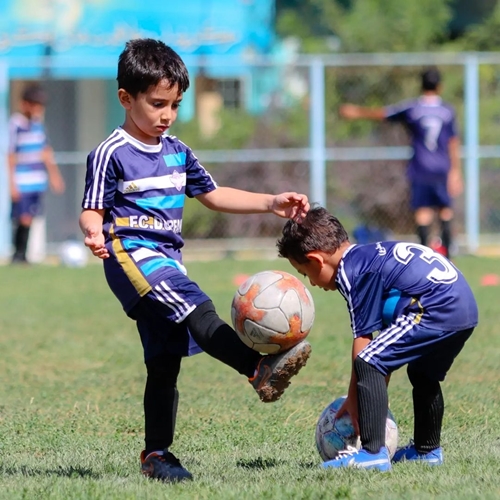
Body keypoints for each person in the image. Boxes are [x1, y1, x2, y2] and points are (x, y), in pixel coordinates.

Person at [78, 38, 311, 483]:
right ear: (126, 98)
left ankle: (157, 455)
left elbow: (213, 194)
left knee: (165, 361)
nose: (166, 115)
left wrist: (271, 202)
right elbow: (93, 207)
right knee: (195, 305)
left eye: (176, 105)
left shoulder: (177, 151)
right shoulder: (111, 153)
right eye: (157, 103)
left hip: (167, 260)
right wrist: (92, 231)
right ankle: (257, 368)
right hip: (131, 255)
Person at [277, 206, 478, 471]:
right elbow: (385, 347)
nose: (312, 283)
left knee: (369, 361)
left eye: (306, 273)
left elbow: (365, 344)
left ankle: (373, 454)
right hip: (463, 306)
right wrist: (364, 393)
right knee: (422, 373)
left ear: (316, 260)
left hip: (435, 307)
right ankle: (427, 451)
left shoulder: (352, 272)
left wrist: (354, 399)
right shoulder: (369, 255)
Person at [339, 67, 462, 259]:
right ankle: (449, 261)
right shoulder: (447, 111)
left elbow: (384, 114)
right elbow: (453, 141)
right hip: (442, 168)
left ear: (421, 85)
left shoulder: (413, 108)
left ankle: (426, 260)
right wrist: (455, 171)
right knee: (445, 211)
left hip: (421, 167)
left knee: (422, 213)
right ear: (440, 86)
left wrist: (356, 112)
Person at [8, 83, 65, 263]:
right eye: (34, 104)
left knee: (30, 217)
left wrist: (55, 176)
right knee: (22, 217)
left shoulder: (38, 125)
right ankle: (18, 255)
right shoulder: (16, 124)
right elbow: (10, 155)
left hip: (36, 180)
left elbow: (46, 152)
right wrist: (12, 184)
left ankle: (22, 255)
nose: (38, 109)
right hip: (22, 179)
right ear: (24, 103)